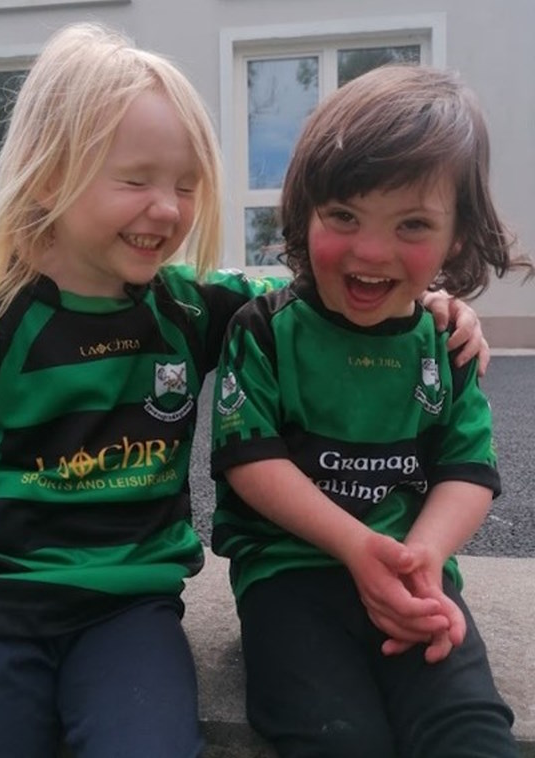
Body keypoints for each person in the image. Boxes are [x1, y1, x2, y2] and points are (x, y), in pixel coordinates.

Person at [0, 22, 487, 758]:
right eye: (137, 180)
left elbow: (323, 288)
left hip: (127, 612)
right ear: (49, 174)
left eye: (185, 184)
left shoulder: (188, 307)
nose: (169, 209)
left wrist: (424, 300)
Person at [210, 64, 533, 758]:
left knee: (471, 729)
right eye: (344, 216)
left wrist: (424, 556)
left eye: (412, 223)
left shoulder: (443, 343)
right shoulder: (264, 330)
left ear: (456, 236)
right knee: (336, 737)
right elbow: (250, 460)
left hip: (414, 577)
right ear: (304, 211)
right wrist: (358, 548)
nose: (371, 250)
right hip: (288, 574)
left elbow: (467, 469)